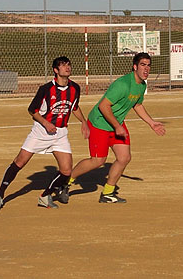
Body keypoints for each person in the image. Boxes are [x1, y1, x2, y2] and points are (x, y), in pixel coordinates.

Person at [60, 52, 166, 204]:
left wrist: (151, 122)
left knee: (124, 158)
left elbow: (137, 104)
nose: (146, 69)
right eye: (143, 65)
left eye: (149, 65)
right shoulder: (122, 84)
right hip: (100, 123)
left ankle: (108, 193)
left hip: (116, 123)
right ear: (135, 67)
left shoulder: (141, 85)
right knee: (98, 161)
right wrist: (117, 126)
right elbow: (104, 106)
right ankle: (65, 182)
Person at [0, 56, 89, 211]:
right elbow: (32, 110)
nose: (67, 68)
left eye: (68, 65)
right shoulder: (46, 89)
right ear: (56, 70)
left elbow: (74, 107)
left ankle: (45, 196)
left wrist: (83, 122)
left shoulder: (75, 88)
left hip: (60, 133)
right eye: (63, 66)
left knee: (66, 170)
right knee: (20, 161)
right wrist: (46, 123)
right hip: (41, 132)